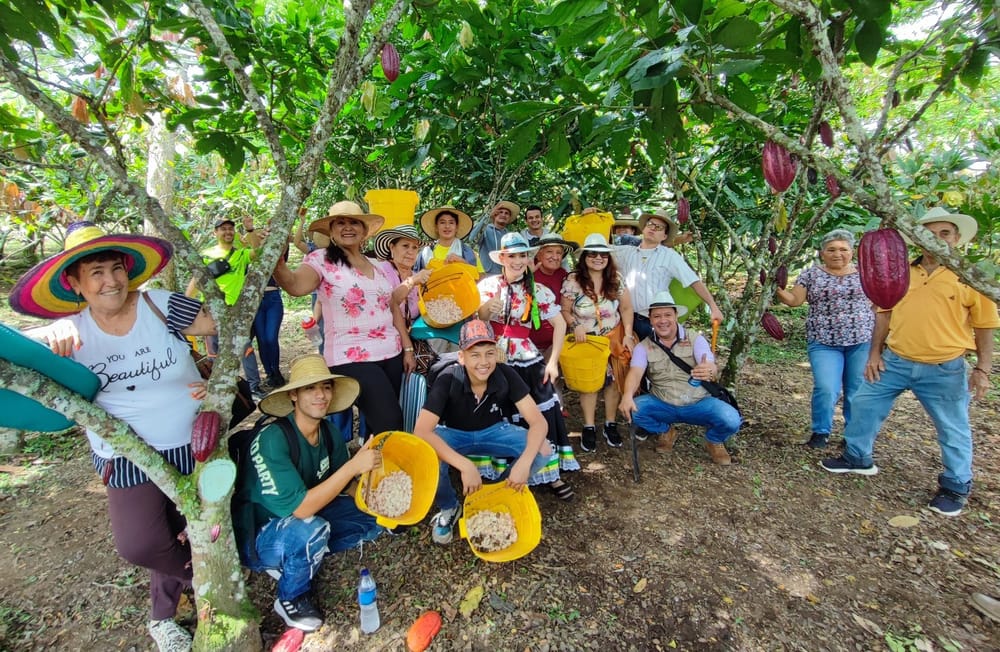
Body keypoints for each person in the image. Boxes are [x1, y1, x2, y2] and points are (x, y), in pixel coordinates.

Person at [10, 221, 217, 652]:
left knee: (192, 525)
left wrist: (219, 379)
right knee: (141, 541)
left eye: (115, 268)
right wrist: (48, 335)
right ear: (75, 284)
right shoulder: (70, 333)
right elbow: (14, 353)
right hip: (126, 452)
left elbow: (224, 329)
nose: (110, 281)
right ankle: (206, 580)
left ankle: (164, 617)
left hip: (191, 441)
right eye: (96, 273)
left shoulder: (160, 305)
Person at [821, 207, 998, 517]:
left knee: (952, 426)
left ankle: (956, 485)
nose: (937, 239)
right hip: (896, 360)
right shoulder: (902, 272)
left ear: (956, 239)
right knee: (864, 403)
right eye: (929, 233)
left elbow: (984, 326)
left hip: (945, 366)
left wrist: (983, 369)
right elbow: (884, 314)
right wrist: (874, 353)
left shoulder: (969, 277)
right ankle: (857, 457)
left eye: (945, 233)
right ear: (917, 239)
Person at [236, 354, 383, 631]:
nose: (321, 395)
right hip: (265, 530)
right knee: (310, 530)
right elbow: (302, 509)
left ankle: (304, 556)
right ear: (293, 395)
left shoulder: (327, 431)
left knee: (373, 519)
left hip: (306, 511)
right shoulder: (272, 439)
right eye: (310, 388)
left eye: (326, 387)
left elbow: (345, 482)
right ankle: (290, 596)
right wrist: (354, 466)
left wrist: (371, 501)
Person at [413, 320, 572, 544]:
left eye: (489, 354)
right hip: (453, 433)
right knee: (427, 455)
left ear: (497, 354)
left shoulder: (505, 373)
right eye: (475, 355)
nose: (483, 362)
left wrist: (524, 464)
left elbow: (538, 422)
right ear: (461, 357)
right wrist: (465, 465)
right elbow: (421, 431)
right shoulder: (448, 378)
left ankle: (497, 494)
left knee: (543, 450)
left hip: (493, 430)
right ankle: (449, 507)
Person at [272, 201, 416, 437]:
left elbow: (392, 307)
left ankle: (373, 466)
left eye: (353, 222)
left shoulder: (377, 265)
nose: (347, 227)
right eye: (340, 223)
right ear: (331, 230)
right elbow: (295, 285)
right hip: (352, 356)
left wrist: (407, 348)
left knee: (378, 420)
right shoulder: (321, 260)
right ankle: (391, 469)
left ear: (364, 230)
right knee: (390, 420)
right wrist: (277, 264)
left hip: (392, 352)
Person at [477, 233, 580, 479]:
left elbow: (560, 324)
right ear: (502, 258)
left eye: (522, 255)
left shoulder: (538, 290)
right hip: (493, 355)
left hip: (525, 353)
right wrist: (483, 311)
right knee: (497, 408)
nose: (518, 261)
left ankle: (545, 469)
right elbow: (477, 322)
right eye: (512, 256)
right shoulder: (488, 286)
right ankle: (501, 468)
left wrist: (553, 361)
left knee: (542, 405)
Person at [775, 229, 873, 449]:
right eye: (831, 250)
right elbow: (794, 301)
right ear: (822, 252)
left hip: (861, 339)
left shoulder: (865, 273)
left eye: (843, 249)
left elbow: (879, 302)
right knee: (827, 387)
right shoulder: (811, 274)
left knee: (856, 389)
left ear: (852, 252)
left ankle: (852, 435)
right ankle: (820, 432)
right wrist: (775, 288)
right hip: (823, 341)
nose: (837, 254)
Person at [619, 290, 741, 465]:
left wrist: (709, 369)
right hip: (663, 402)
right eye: (657, 316)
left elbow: (709, 363)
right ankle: (666, 431)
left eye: (668, 314)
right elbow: (636, 371)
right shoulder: (643, 346)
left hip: (698, 402)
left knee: (731, 419)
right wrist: (627, 395)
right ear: (650, 319)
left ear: (676, 315)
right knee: (632, 409)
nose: (662, 320)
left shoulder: (695, 339)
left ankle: (714, 440)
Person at [561, 233, 635, 452]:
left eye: (602, 255)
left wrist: (628, 335)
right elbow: (565, 310)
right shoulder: (573, 280)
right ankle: (589, 425)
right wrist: (575, 325)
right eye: (592, 254)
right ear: (584, 257)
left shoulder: (616, 279)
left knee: (612, 382)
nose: (598, 258)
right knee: (589, 382)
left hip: (612, 336)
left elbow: (626, 308)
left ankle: (610, 423)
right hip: (587, 339)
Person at [614, 209, 724, 340]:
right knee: (628, 359)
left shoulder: (670, 256)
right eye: (650, 224)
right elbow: (591, 249)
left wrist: (713, 307)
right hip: (626, 318)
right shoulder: (625, 252)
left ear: (664, 236)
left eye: (659, 227)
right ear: (643, 228)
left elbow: (693, 281)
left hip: (653, 321)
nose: (653, 228)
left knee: (656, 358)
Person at [185, 215, 264, 397]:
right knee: (215, 352)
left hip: (237, 309)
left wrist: (250, 230)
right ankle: (223, 389)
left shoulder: (240, 254)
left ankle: (254, 387)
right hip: (212, 311)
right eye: (223, 228)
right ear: (215, 232)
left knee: (245, 348)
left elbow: (258, 253)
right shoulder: (206, 254)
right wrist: (187, 305)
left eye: (230, 228)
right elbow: (197, 280)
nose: (228, 231)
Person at [373, 225, 432, 328]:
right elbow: (388, 306)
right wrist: (412, 281)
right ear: (392, 247)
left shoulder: (418, 277)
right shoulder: (380, 272)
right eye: (405, 246)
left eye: (415, 247)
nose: (410, 252)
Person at [529, 232, 578, 354]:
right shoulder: (528, 274)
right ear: (539, 255)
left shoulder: (563, 275)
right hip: (530, 346)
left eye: (559, 253)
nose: (555, 257)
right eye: (549, 252)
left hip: (557, 344)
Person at [414, 205, 480, 273]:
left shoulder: (468, 253)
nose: (447, 226)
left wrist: (462, 262)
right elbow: (415, 277)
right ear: (436, 227)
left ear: (456, 227)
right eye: (442, 222)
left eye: (451, 223)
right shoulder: (426, 253)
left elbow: (481, 278)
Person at [478, 200, 519, 276]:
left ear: (509, 218)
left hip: (504, 274)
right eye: (500, 212)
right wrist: (488, 216)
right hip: (485, 273)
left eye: (507, 213)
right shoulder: (485, 229)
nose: (503, 215)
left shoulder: (510, 235)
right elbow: (472, 238)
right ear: (494, 214)